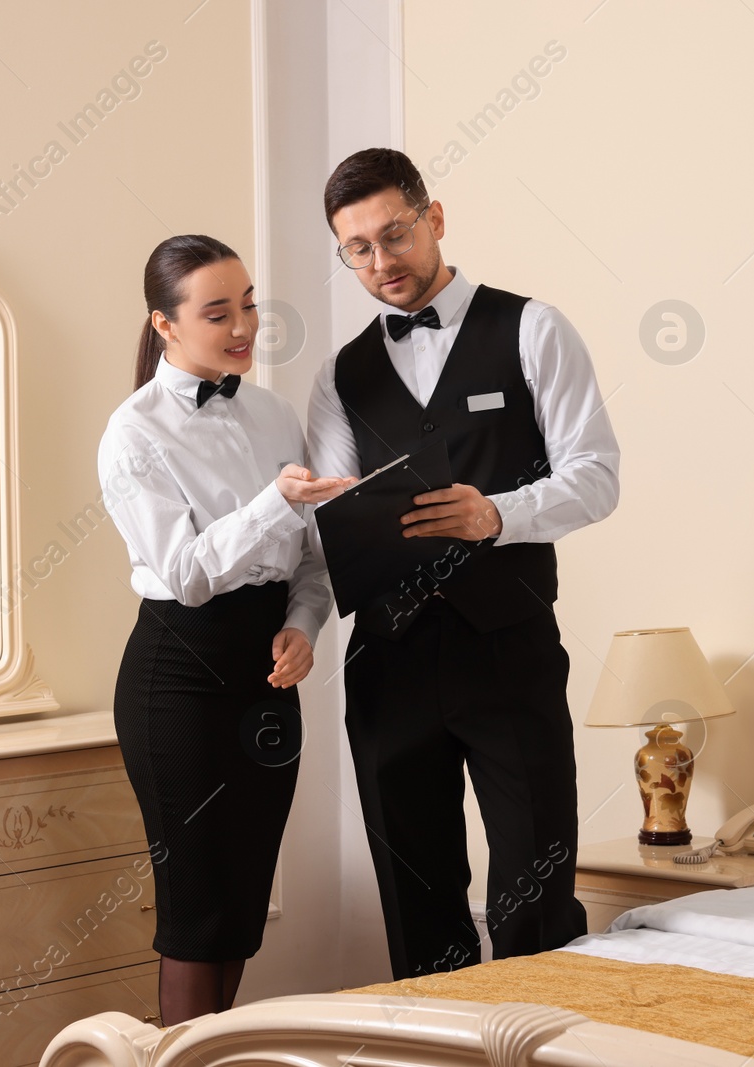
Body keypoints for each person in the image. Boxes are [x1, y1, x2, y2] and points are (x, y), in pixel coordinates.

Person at [306, 148, 622, 979]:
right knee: (417, 901)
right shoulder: (339, 375)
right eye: (358, 249)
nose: (382, 263)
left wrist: (496, 513)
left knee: (533, 890)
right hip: (387, 657)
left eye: (395, 235)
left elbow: (596, 476)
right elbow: (331, 513)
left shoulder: (532, 327)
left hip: (506, 645)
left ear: (434, 218)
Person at [99, 235, 353, 1023]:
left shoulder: (275, 412)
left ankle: (210, 1050)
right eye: (218, 312)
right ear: (164, 324)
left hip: (266, 679)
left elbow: (312, 558)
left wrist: (306, 626)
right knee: (196, 908)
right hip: (179, 676)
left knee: (240, 906)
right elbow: (186, 574)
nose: (244, 324)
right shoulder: (134, 433)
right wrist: (274, 500)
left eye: (248, 303)